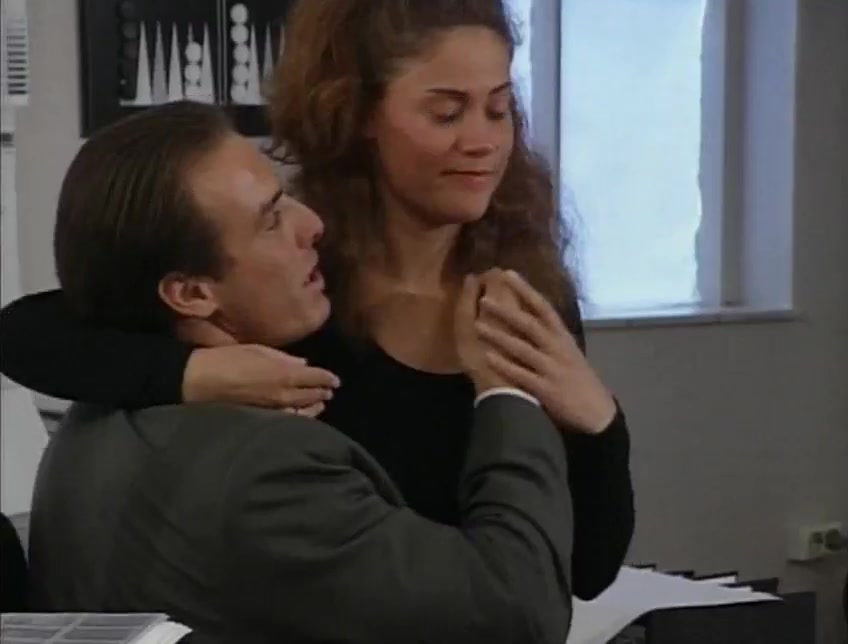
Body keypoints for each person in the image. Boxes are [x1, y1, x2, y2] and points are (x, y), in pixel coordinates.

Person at [0, 0, 633, 598]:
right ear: (361, 115)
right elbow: (29, 332)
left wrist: (599, 423)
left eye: (498, 109)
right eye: (446, 113)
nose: (484, 141)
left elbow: (583, 570)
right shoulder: (296, 280)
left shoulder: (527, 291)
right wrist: (193, 372)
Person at [29, 100, 575, 644]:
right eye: (271, 220)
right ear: (192, 293)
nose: (313, 226)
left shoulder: (87, 421)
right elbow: (517, 611)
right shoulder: (268, 476)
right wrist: (509, 386)